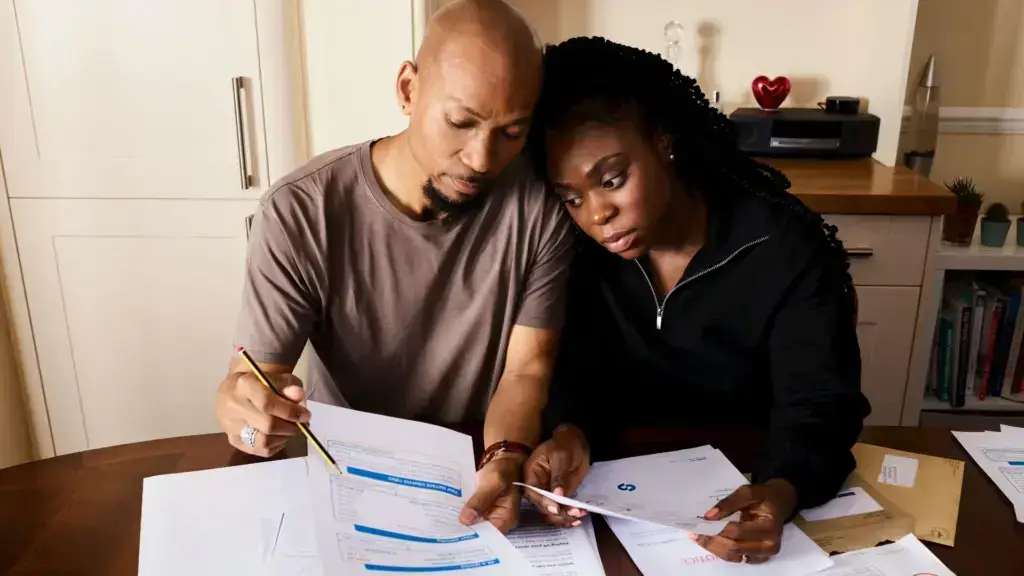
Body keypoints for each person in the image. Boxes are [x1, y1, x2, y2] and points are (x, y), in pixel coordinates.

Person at [213, 0, 574, 534]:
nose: (481, 159)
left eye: (512, 132)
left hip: (472, 468)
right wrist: (247, 414)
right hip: (345, 471)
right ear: (408, 89)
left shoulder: (539, 210)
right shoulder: (301, 210)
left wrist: (503, 457)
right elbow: (255, 379)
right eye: (460, 122)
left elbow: (526, 370)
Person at [520, 37, 871, 563]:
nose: (596, 214)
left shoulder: (784, 249)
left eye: (612, 180)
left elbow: (820, 407)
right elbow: (575, 374)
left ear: (663, 142)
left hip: (748, 497)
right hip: (613, 510)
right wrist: (570, 433)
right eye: (571, 197)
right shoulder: (579, 256)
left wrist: (779, 492)